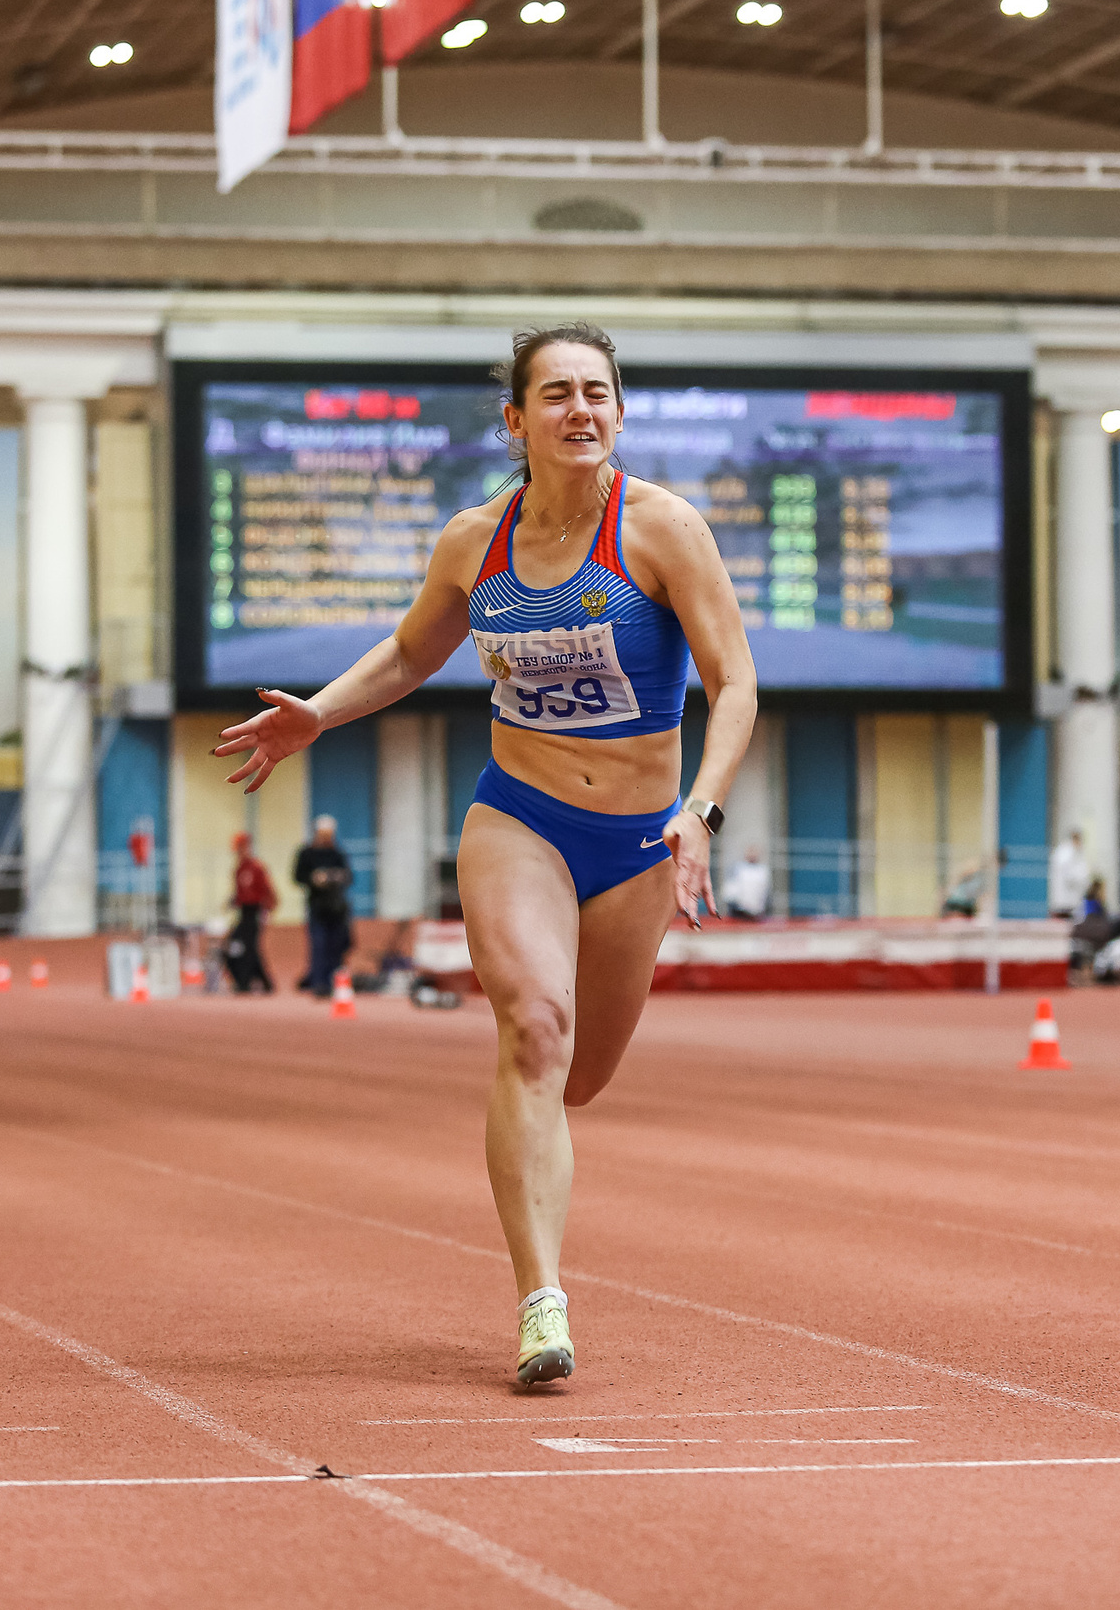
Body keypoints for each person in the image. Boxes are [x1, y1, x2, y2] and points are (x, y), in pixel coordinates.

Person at [214, 323, 755, 1386]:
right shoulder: (476, 541)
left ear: (620, 410)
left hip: (640, 840)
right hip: (521, 819)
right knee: (533, 1027)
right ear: (516, 421)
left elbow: (733, 683)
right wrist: (316, 715)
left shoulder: (663, 531)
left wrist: (701, 811)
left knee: (580, 1079)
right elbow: (417, 649)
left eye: (598, 391)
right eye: (555, 394)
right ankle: (540, 1302)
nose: (580, 411)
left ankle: (538, 1156)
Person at [294, 815, 355, 996]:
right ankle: (319, 983)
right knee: (319, 945)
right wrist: (314, 879)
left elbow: (349, 877)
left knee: (336, 946)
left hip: (337, 908)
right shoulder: (306, 853)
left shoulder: (337, 854)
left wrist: (337, 876)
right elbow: (298, 877)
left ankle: (334, 982)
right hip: (317, 906)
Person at [226, 832, 276, 993]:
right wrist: (233, 901)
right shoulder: (239, 869)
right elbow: (241, 893)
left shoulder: (257, 868)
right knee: (242, 946)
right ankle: (262, 982)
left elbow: (268, 892)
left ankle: (245, 982)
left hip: (255, 912)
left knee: (249, 947)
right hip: (244, 913)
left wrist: (267, 910)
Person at [721, 844, 771, 921]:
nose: (752, 855)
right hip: (739, 911)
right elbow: (730, 889)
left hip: (756, 912)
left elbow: (766, 891)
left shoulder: (763, 871)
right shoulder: (738, 868)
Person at [1048, 828, 1090, 918]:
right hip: (1067, 900)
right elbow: (1070, 876)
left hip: (1067, 900)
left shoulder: (1065, 852)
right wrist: (1083, 879)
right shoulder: (1066, 854)